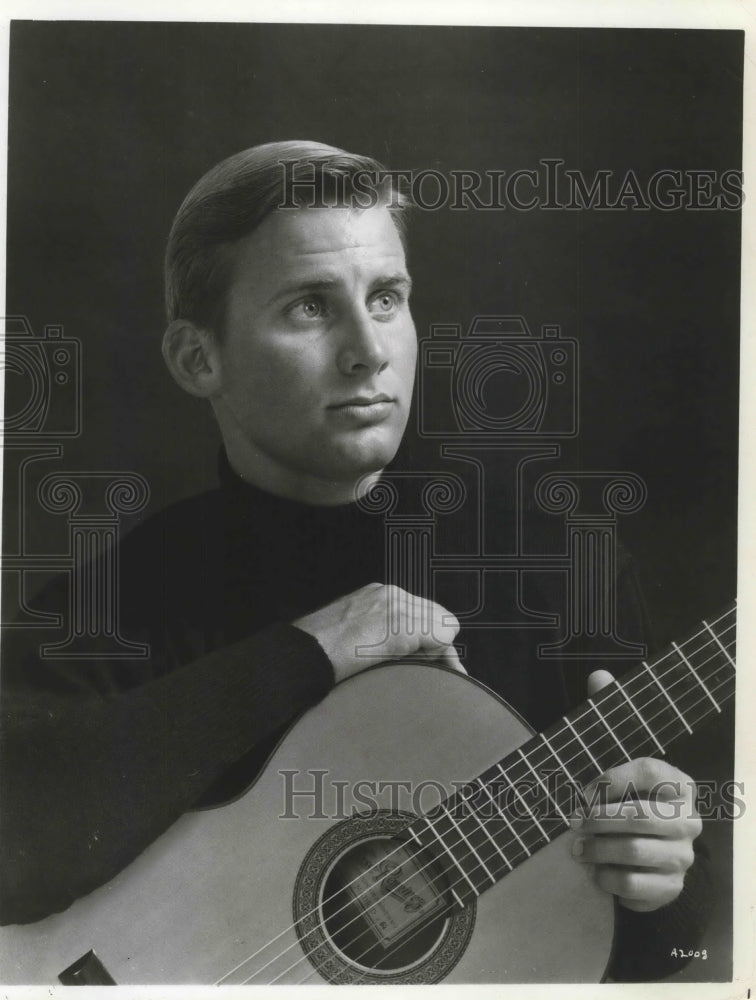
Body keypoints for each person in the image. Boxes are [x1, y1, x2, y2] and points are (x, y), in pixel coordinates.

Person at [0, 140, 711, 981]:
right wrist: (315, 647)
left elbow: (614, 958)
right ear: (199, 358)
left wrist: (660, 892)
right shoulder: (109, 602)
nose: (368, 350)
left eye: (386, 297)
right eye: (309, 307)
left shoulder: (557, 566)